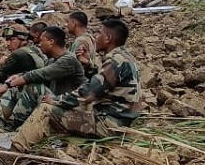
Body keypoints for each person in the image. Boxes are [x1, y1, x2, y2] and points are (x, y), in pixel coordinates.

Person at [11, 19, 142, 152]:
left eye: (99, 34)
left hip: (110, 125)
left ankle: (14, 151)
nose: (96, 38)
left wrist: (57, 100)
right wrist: (89, 65)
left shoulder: (116, 60)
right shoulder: (125, 57)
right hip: (120, 120)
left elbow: (87, 94)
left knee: (46, 110)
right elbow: (104, 82)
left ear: (108, 38)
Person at [0, 26, 88, 131]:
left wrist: (8, 84)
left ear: (51, 41)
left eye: (42, 41)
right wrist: (16, 78)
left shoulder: (68, 60)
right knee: (16, 88)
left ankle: (16, 125)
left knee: (34, 87)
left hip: (70, 106)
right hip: (54, 102)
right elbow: (36, 72)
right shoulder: (52, 60)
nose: (39, 44)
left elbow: (41, 74)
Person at [0, 24, 48, 128]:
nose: (8, 44)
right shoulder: (35, 49)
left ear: (22, 39)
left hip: (32, 93)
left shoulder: (18, 54)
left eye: (12, 40)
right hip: (40, 91)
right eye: (7, 40)